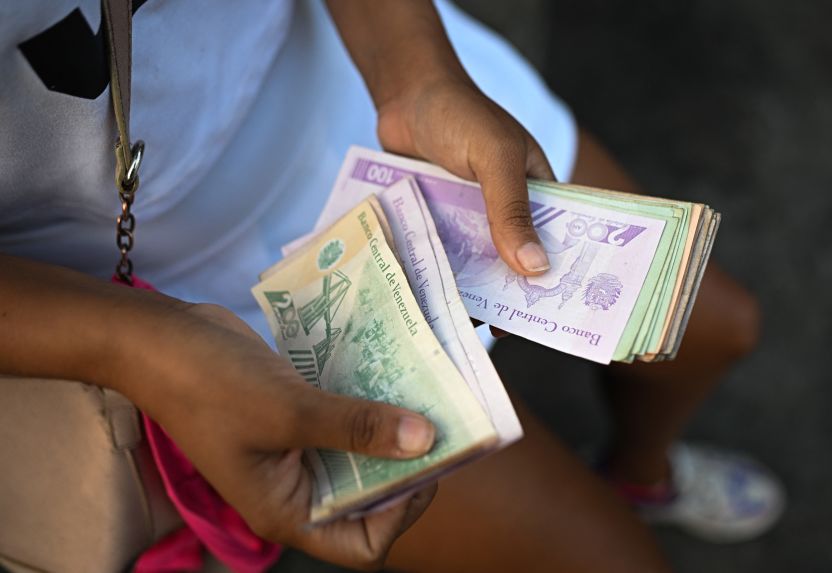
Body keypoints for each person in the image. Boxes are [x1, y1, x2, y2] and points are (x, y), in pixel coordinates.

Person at [0, 1, 781, 572]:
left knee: (717, 327)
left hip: (374, 92)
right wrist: (140, 348)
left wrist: (420, 77)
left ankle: (638, 473)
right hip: (155, 287)